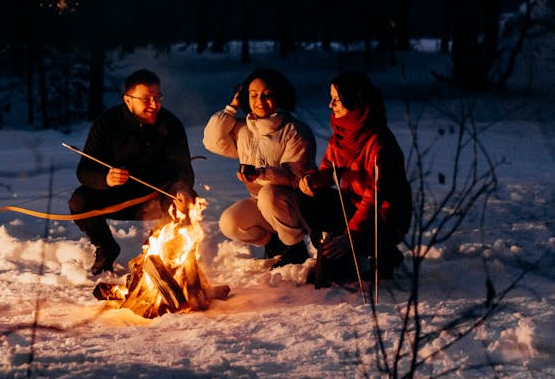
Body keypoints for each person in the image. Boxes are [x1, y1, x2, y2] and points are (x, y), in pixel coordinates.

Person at [68, 69, 196, 276]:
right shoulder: (107, 123)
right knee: (79, 202)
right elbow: (84, 171)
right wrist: (105, 179)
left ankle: (157, 254)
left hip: (156, 195)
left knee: (186, 201)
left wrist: (182, 190)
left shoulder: (170, 124)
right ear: (128, 100)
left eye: (157, 97)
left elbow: (184, 171)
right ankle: (106, 248)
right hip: (115, 195)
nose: (155, 105)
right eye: (147, 99)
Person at [298, 70, 412, 284]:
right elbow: (329, 171)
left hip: (382, 219)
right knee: (307, 196)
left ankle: (379, 252)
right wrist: (313, 179)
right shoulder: (341, 134)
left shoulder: (379, 143)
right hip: (352, 205)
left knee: (334, 240)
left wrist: (350, 238)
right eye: (330, 99)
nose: (330, 105)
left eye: (336, 100)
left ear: (353, 100)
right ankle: (336, 250)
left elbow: (374, 199)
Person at [203, 68, 317, 266]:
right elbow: (212, 141)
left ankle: (295, 246)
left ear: (279, 95)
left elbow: (298, 179)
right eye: (253, 95)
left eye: (267, 95)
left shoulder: (295, 131)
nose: (260, 101)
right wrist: (232, 107)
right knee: (230, 222)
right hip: (263, 204)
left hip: (298, 207)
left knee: (268, 195)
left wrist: (263, 173)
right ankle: (275, 244)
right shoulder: (244, 130)